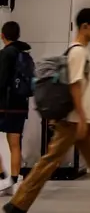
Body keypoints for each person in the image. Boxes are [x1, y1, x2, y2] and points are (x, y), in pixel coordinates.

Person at [3, 8, 90, 213]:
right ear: (85, 26)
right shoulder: (77, 52)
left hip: (83, 120)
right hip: (74, 121)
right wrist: (83, 118)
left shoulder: (81, 51)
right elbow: (75, 86)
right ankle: (18, 203)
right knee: (49, 163)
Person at [0, 22, 32, 196]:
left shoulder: (5, 54)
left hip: (5, 106)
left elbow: (1, 80)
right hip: (21, 104)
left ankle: (2, 178)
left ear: (2, 35)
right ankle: (14, 180)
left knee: (9, 142)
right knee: (15, 143)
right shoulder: (24, 53)